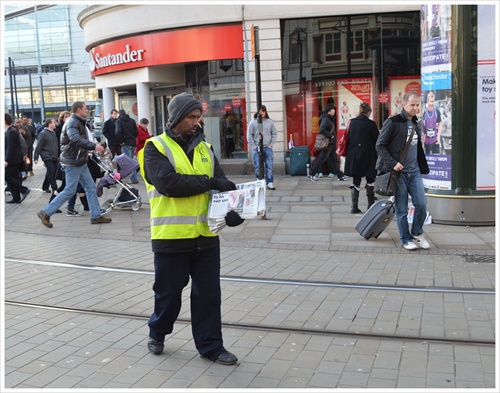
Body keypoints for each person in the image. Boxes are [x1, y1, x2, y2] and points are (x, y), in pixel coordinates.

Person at [138, 92, 244, 366]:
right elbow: (169, 184)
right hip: (171, 238)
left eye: (199, 117)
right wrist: (210, 183)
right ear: (176, 118)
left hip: (206, 237)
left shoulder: (205, 150)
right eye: (192, 117)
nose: (198, 122)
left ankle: (212, 347)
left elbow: (221, 188)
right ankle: (158, 332)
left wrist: (233, 213)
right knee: (169, 295)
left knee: (209, 296)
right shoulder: (154, 148)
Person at [37, 101, 112, 228]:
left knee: (90, 187)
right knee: (70, 190)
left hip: (80, 161)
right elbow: (75, 139)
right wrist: (94, 146)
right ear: (78, 110)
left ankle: (95, 215)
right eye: (85, 108)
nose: (87, 110)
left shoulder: (78, 121)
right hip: (73, 162)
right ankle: (46, 212)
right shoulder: (72, 122)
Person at [375, 91, 430, 251]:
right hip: (398, 173)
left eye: (417, 105)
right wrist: (393, 163)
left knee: (422, 204)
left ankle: (417, 232)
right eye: (412, 105)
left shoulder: (416, 123)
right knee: (401, 208)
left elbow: (417, 148)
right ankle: (405, 239)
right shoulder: (392, 122)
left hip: (414, 172)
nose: (415, 108)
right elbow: (380, 146)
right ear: (404, 104)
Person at [343, 102, 379, 213]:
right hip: (368, 155)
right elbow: (377, 140)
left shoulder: (352, 123)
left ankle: (354, 206)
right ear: (368, 112)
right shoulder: (371, 124)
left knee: (356, 180)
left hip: (354, 154)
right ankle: (370, 204)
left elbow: (347, 138)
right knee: (370, 180)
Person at [309, 105, 349, 182]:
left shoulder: (329, 119)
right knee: (322, 158)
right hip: (328, 143)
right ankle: (312, 173)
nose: (334, 111)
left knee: (334, 159)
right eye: (333, 109)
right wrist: (331, 135)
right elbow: (322, 129)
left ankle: (340, 176)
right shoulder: (326, 119)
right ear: (329, 111)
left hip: (332, 143)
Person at [246, 105, 277, 190]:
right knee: (257, 165)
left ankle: (269, 182)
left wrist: (271, 144)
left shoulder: (270, 122)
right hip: (257, 147)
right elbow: (249, 135)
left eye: (264, 111)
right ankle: (259, 180)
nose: (262, 113)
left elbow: (274, 133)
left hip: (267, 147)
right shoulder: (253, 122)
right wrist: (253, 146)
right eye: (261, 111)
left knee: (269, 165)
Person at [5, 113, 30, 204]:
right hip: (14, 159)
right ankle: (16, 197)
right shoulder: (10, 130)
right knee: (13, 177)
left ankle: (24, 190)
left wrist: (6, 160)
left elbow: (10, 147)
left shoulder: (11, 131)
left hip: (12, 160)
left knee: (7, 177)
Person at [34, 118, 59, 196]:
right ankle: (54, 188)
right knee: (51, 171)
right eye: (54, 122)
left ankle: (45, 186)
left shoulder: (53, 133)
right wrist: (36, 157)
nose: (56, 124)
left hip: (54, 156)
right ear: (49, 124)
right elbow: (39, 146)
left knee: (50, 171)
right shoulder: (43, 133)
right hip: (47, 156)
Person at [115, 109, 138, 183]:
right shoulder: (132, 120)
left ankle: (131, 179)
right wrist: (133, 138)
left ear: (119, 114)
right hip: (132, 142)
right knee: (131, 161)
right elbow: (136, 132)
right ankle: (134, 178)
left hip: (125, 143)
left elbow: (118, 132)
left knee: (127, 162)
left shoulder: (118, 121)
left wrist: (121, 141)